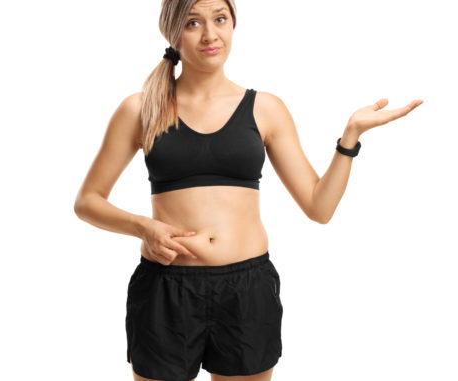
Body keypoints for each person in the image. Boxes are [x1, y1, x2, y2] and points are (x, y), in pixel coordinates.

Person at [74, 0, 423, 380]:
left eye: (220, 19)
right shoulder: (141, 108)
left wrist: (349, 138)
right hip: (166, 289)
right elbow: (87, 201)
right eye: (193, 22)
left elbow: (319, 207)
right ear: (172, 31)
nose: (210, 34)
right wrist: (143, 227)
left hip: (247, 290)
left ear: (233, 24)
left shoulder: (265, 109)